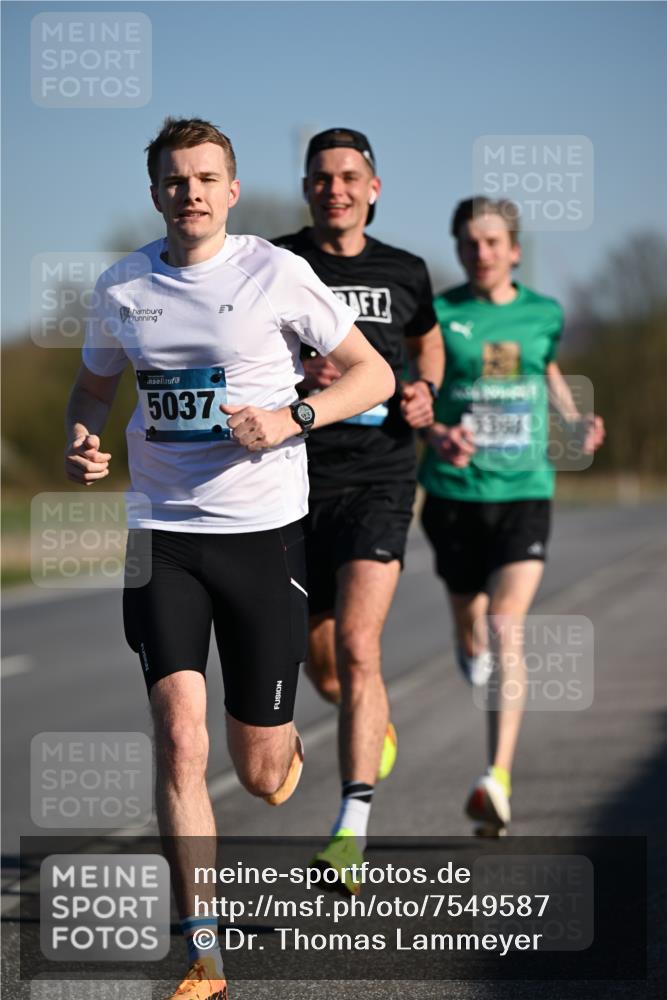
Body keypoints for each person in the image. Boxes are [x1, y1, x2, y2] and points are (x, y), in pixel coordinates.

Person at [64, 117, 394, 1000]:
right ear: (156, 192)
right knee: (178, 739)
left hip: (263, 536)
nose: (192, 193)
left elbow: (372, 375)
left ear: (233, 189)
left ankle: (315, 751)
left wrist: (294, 419)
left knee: (259, 770)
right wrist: (83, 438)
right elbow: (94, 384)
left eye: (207, 178)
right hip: (163, 536)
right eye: (176, 180)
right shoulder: (124, 287)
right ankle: (204, 955)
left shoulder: (275, 273)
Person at [274, 128, 443, 891]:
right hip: (291, 479)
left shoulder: (405, 270)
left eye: (348, 176)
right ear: (306, 188)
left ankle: (350, 827)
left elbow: (426, 343)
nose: (334, 188)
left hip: (378, 477)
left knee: (361, 645)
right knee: (323, 663)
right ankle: (369, 723)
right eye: (320, 177)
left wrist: (424, 390)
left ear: (373, 188)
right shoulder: (272, 264)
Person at [419, 196, 605, 835]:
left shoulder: (543, 314)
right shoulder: (440, 315)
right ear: (459, 249)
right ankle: (465, 639)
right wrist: (439, 432)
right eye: (470, 243)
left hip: (524, 488)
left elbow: (547, 368)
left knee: (505, 629)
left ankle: (496, 777)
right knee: (474, 633)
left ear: (514, 250)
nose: (482, 253)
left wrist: (574, 422)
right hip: (453, 494)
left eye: (493, 242)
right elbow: (422, 394)